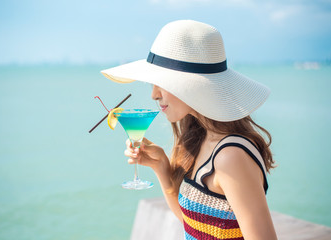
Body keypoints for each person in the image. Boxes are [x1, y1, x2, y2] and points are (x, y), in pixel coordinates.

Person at [101, 20, 278, 240]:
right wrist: (161, 167)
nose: (154, 95)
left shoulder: (231, 156)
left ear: (192, 85)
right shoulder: (201, 139)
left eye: (161, 83)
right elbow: (194, 227)